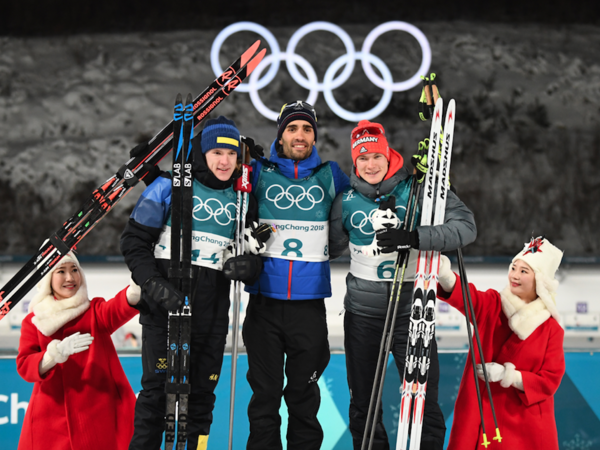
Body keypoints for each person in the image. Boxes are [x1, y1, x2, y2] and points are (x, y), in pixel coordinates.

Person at [328, 120, 477, 450]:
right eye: (362, 159)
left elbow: (466, 228)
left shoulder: (417, 190)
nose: (370, 165)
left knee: (424, 401)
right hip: (362, 317)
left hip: (413, 313)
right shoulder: (346, 201)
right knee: (363, 406)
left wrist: (413, 237)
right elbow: (329, 248)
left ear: (388, 155)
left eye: (376, 157)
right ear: (355, 162)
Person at [120, 116, 264, 450]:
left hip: (211, 318)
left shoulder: (244, 199)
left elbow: (255, 252)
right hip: (164, 311)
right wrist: (152, 283)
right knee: (156, 398)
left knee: (200, 403)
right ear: (201, 153)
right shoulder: (168, 187)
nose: (225, 161)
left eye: (231, 154)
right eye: (216, 152)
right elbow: (133, 242)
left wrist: (250, 267)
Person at [242, 100, 350, 450]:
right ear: (281, 134)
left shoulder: (330, 175)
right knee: (265, 398)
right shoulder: (258, 172)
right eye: (292, 128)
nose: (300, 135)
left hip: (309, 307)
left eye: (306, 129)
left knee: (304, 399)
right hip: (264, 304)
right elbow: (219, 184)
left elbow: (364, 202)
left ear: (314, 136)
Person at [436, 236, 565, 450]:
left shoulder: (551, 329)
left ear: (540, 281)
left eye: (524, 272)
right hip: (484, 419)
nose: (514, 275)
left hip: (527, 424)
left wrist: (509, 376)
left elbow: (550, 380)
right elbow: (469, 298)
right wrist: (446, 276)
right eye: (513, 267)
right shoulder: (493, 304)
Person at [16, 251, 140, 450]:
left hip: (99, 415)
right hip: (50, 421)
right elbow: (24, 365)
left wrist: (134, 291)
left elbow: (117, 308)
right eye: (61, 271)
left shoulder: (94, 311)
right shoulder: (33, 322)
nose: (70, 277)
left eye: (75, 270)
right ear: (48, 278)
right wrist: (51, 356)